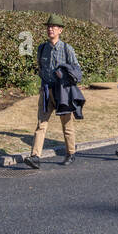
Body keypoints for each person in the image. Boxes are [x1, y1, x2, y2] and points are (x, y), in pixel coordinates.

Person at [25, 14, 83, 168]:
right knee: (41, 123)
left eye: (54, 27)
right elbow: (40, 68)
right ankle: (35, 156)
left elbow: (78, 72)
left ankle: (71, 153)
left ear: (60, 30)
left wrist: (64, 75)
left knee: (67, 124)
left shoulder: (67, 49)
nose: (50, 29)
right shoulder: (42, 48)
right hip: (45, 90)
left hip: (62, 92)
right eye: (48, 27)